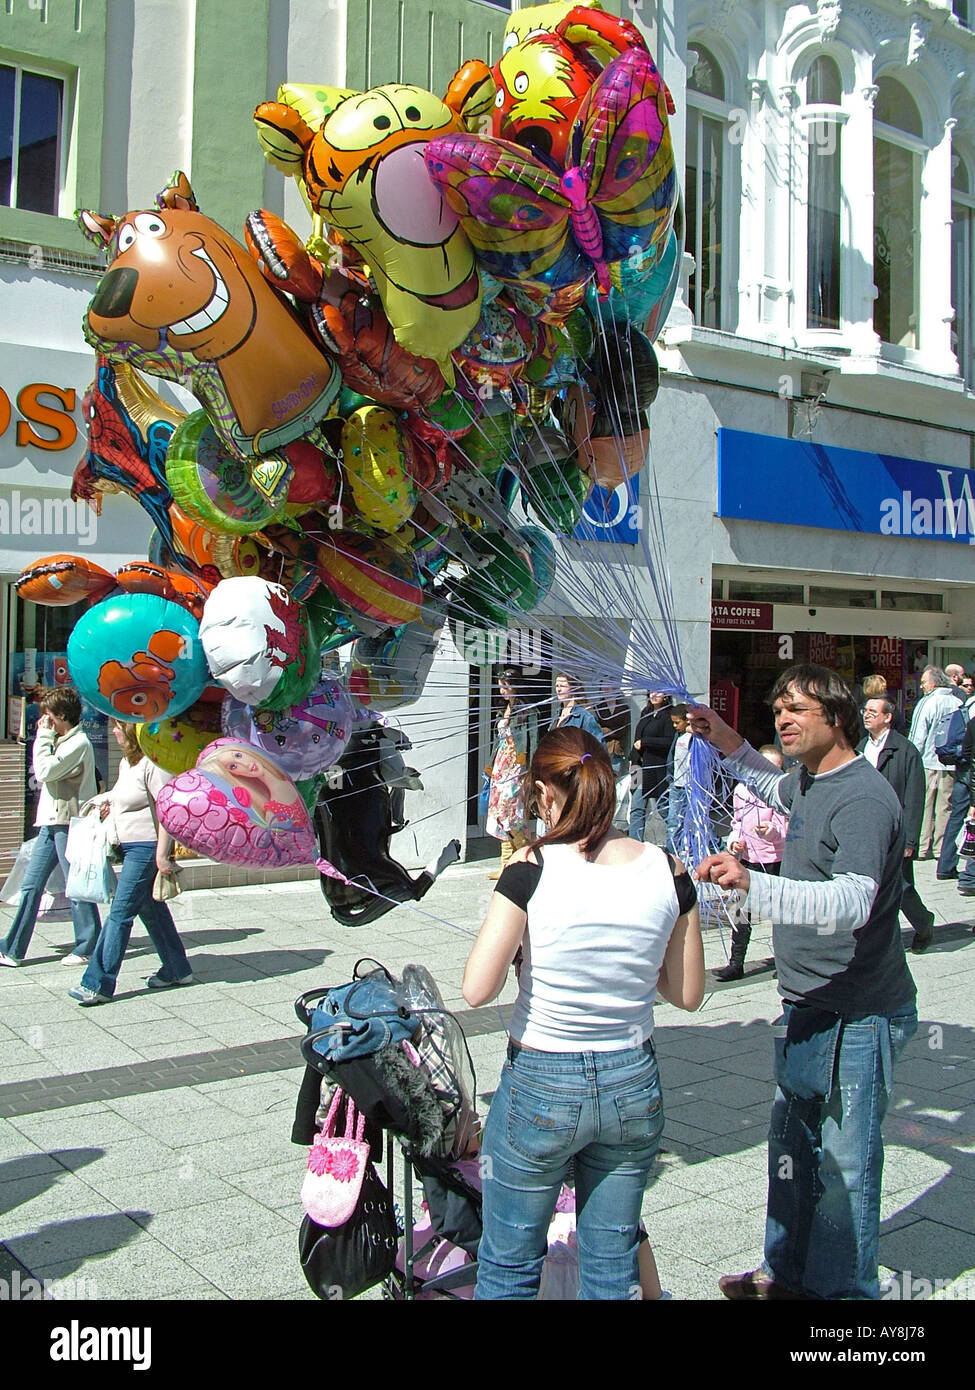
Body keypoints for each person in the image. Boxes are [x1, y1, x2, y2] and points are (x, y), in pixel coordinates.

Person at [691, 663, 917, 1301]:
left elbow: (851, 902)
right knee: (790, 1154)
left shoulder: (866, 799)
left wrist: (753, 884)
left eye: (798, 710)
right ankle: (786, 1276)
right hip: (805, 1003)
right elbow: (773, 786)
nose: (783, 720)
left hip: (859, 1015)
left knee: (846, 1172)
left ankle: (842, 1298)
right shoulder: (811, 782)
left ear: (839, 718)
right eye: (778, 709)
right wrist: (727, 740)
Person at [463, 726, 704, 1300]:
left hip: (542, 1078)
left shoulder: (532, 867)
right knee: (611, 1265)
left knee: (509, 1264)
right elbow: (687, 992)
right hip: (631, 1080)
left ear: (544, 792)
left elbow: (477, 988)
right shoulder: (669, 869)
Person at [68, 720, 192, 1005]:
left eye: (117, 727)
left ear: (133, 733)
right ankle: (177, 968)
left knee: (119, 913)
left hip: (146, 849)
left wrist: (163, 855)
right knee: (151, 911)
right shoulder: (128, 764)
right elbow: (125, 796)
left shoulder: (153, 764)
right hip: (129, 847)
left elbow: (168, 810)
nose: (113, 732)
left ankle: (97, 982)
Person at [0, 687, 101, 968]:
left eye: (49, 715)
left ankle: (87, 944)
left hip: (69, 824)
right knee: (31, 885)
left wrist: (42, 737)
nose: (45, 721)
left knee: (76, 886)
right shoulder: (63, 740)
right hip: (50, 823)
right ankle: (12, 947)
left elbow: (44, 771)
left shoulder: (78, 743)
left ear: (61, 715)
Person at [860, 697, 935, 953]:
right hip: (865, 829)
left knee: (901, 887)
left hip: (894, 833)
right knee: (868, 886)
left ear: (888, 717)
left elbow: (914, 799)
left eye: (873, 711)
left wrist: (910, 840)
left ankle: (923, 923)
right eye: (865, 710)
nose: (866, 715)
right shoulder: (861, 747)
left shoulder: (905, 751)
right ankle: (876, 939)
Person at [714, 744, 788, 982]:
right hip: (748, 860)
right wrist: (735, 842)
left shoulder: (782, 793)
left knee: (781, 915)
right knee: (739, 911)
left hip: (776, 860)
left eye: (775, 769)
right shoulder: (742, 791)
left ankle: (786, 961)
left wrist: (771, 831)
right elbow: (737, 823)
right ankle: (736, 963)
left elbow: (786, 827)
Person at [485, 667, 538, 881]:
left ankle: (524, 859)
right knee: (499, 813)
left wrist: (530, 768)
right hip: (501, 766)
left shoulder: (528, 711)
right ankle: (506, 863)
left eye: (505, 686)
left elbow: (533, 739)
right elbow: (498, 742)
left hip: (517, 766)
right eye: (500, 686)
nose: (502, 691)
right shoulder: (503, 710)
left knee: (513, 814)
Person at [909, 666, 965, 861]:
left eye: (923, 682)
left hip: (928, 761)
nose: (922, 686)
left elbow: (918, 736)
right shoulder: (957, 702)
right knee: (945, 808)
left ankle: (922, 847)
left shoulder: (927, 703)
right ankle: (941, 848)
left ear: (933, 683)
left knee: (924, 805)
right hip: (950, 763)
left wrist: (911, 760)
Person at [628, 692, 673, 843]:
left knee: (663, 807)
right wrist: (632, 758)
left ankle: (677, 839)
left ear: (666, 694)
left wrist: (646, 741)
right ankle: (634, 844)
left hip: (656, 768)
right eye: (651, 691)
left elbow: (669, 741)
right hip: (638, 767)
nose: (654, 695)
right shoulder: (645, 712)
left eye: (658, 691)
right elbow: (636, 738)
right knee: (636, 808)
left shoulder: (669, 715)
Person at [664, 704, 691, 853]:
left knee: (689, 820)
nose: (674, 726)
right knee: (673, 819)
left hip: (689, 785)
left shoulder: (694, 737)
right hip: (676, 783)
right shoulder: (678, 735)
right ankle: (672, 850)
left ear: (687, 720)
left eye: (677, 722)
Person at [551, 673, 604, 742]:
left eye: (562, 686)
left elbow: (598, 747)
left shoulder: (585, 717)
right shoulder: (557, 714)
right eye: (557, 686)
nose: (559, 689)